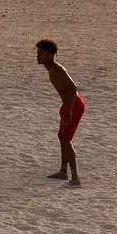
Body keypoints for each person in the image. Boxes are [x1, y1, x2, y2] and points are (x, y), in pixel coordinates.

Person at [36, 39, 83, 186]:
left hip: (74, 105)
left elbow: (74, 88)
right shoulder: (50, 69)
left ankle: (75, 178)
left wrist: (68, 110)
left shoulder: (57, 69)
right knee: (62, 136)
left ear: (50, 55)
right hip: (68, 105)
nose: (38, 56)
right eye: (37, 53)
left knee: (66, 139)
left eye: (41, 53)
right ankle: (63, 171)